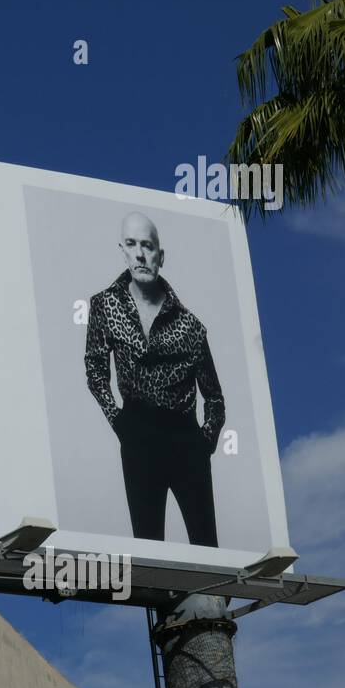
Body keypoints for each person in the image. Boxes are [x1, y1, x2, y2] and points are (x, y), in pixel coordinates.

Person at [84, 212, 225, 547]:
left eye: (147, 246)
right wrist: (119, 421)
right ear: (122, 250)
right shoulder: (105, 305)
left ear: (160, 255)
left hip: (185, 436)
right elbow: (95, 368)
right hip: (138, 432)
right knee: (148, 546)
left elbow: (215, 397)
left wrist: (203, 443)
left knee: (206, 547)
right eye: (132, 244)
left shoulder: (190, 325)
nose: (140, 254)